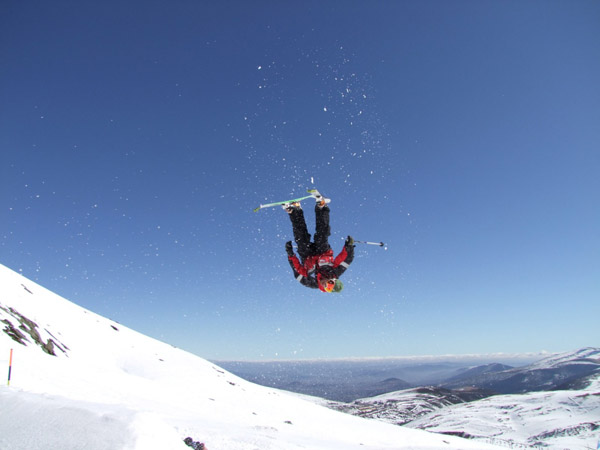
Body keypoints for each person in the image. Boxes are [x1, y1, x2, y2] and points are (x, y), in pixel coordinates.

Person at [284, 196, 355, 293]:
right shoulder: (335, 272)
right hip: (323, 252)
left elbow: (298, 271)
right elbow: (347, 259)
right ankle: (322, 208)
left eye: (328, 288)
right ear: (334, 280)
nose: (326, 284)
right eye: (330, 283)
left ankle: (295, 211)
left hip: (307, 257)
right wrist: (349, 246)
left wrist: (290, 254)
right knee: (322, 235)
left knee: (301, 239)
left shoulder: (312, 282)